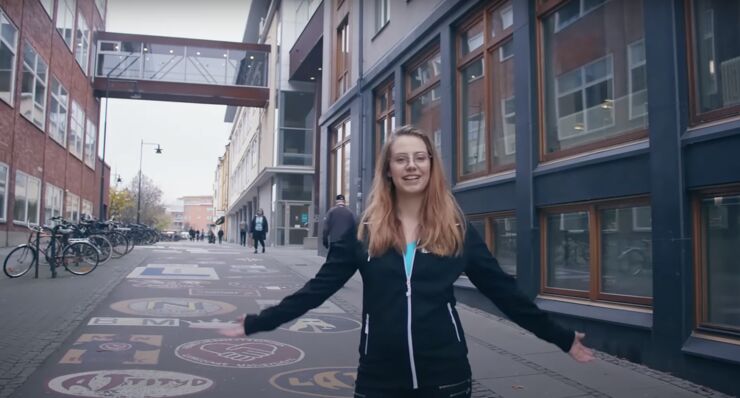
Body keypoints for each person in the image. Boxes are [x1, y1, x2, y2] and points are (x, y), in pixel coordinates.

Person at [219, 126, 594, 397]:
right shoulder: (365, 231)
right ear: (389, 171)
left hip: (445, 375)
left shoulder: (456, 229)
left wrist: (560, 337)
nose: (411, 166)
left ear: (431, 166)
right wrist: (257, 322)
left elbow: (504, 292)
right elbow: (316, 290)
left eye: (419, 158)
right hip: (378, 375)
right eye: (401, 159)